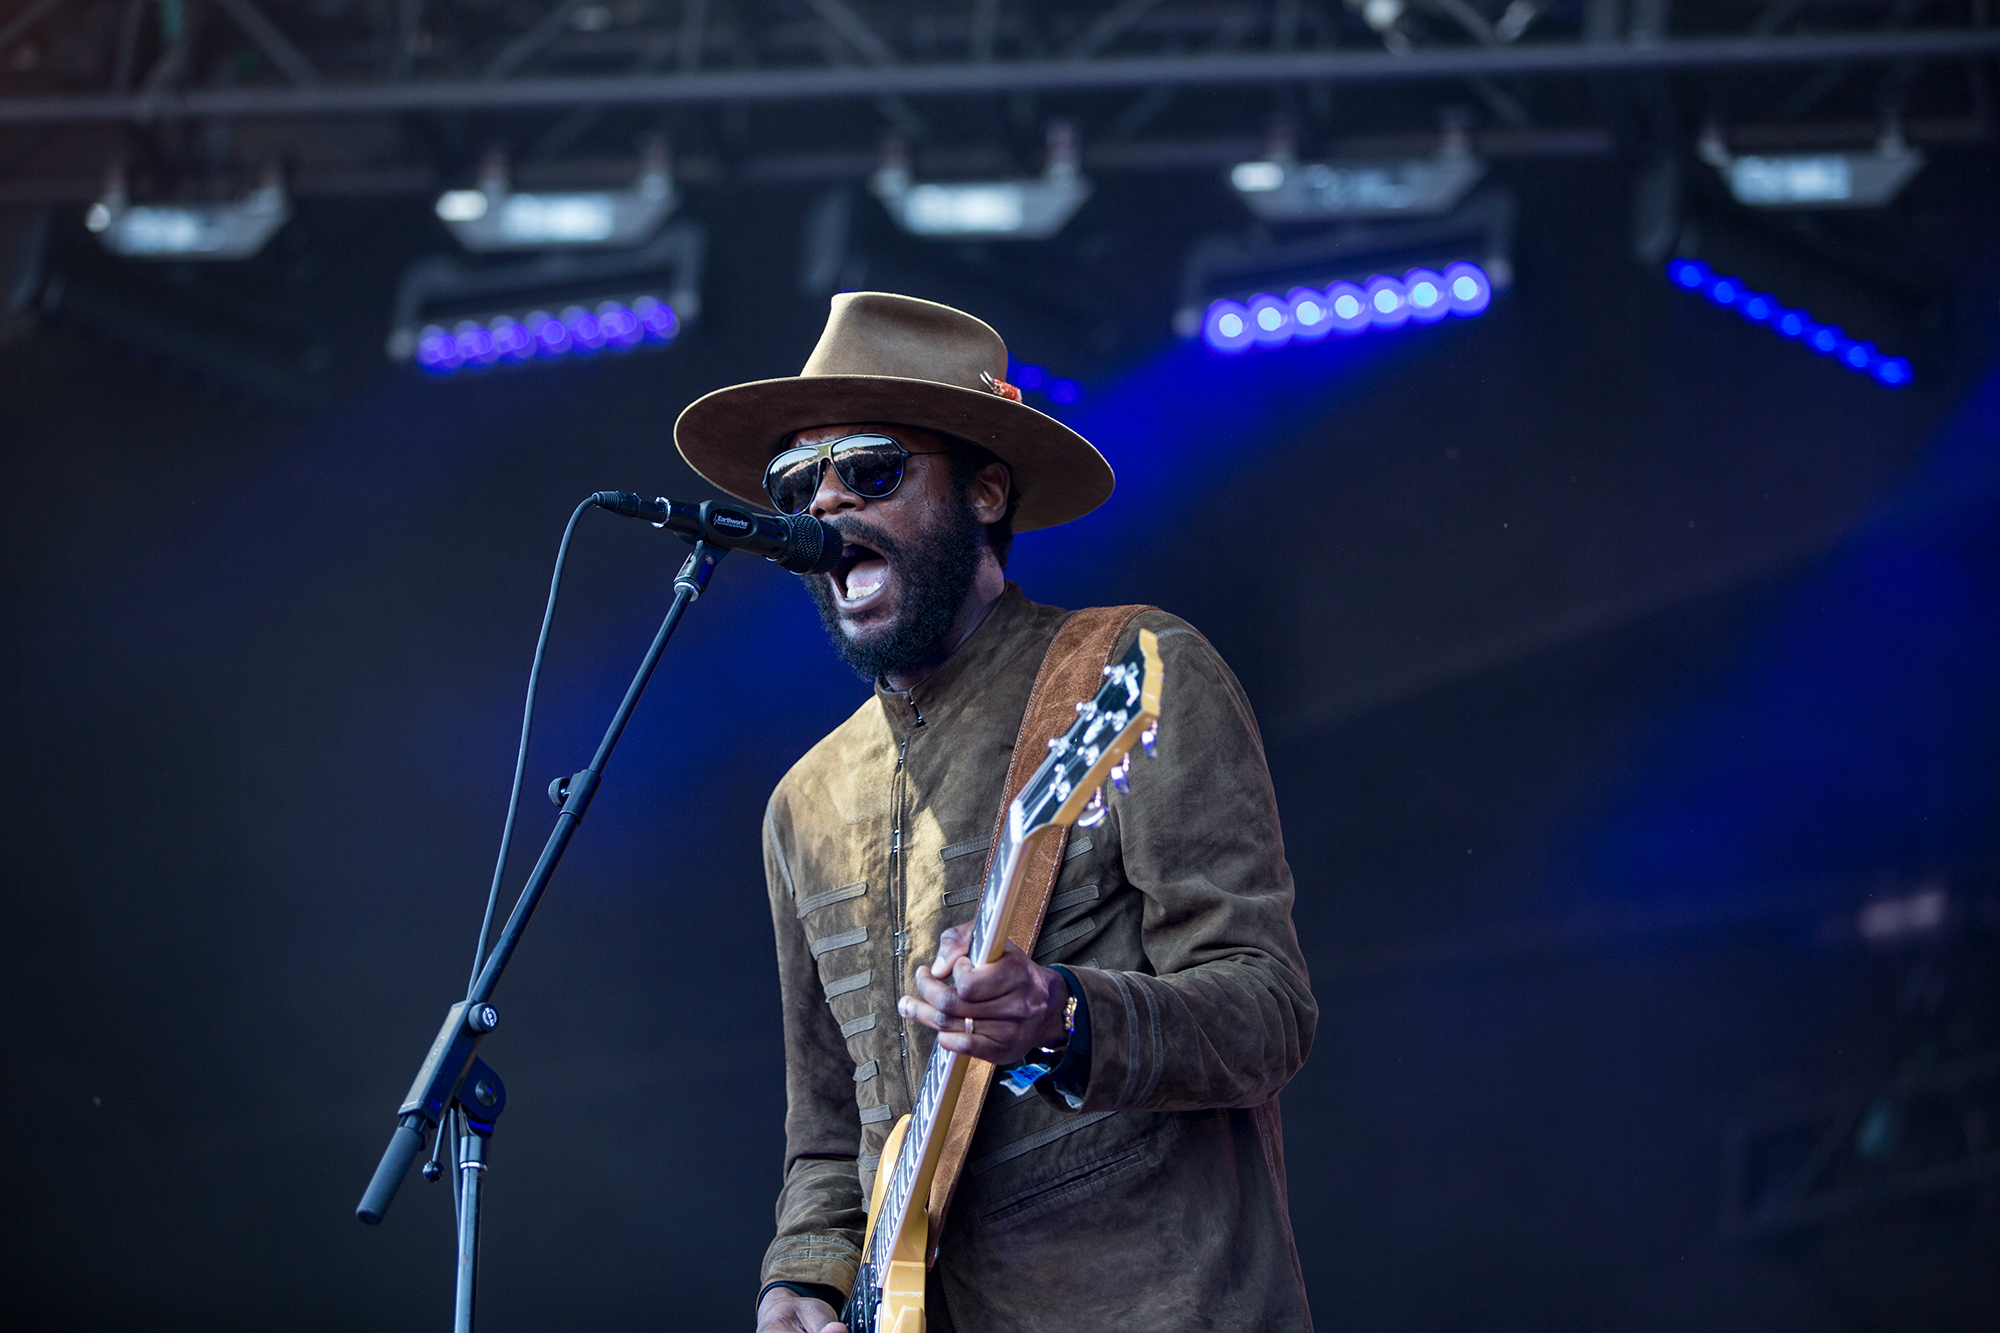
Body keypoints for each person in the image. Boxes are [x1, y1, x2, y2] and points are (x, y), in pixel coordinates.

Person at [675, 293, 1317, 1333]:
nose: (825, 501)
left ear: (984, 490)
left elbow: (1267, 1014)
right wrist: (800, 1279)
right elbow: (829, 1129)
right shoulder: (803, 802)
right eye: (798, 480)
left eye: (871, 469)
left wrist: (1062, 1015)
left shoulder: (1130, 672)